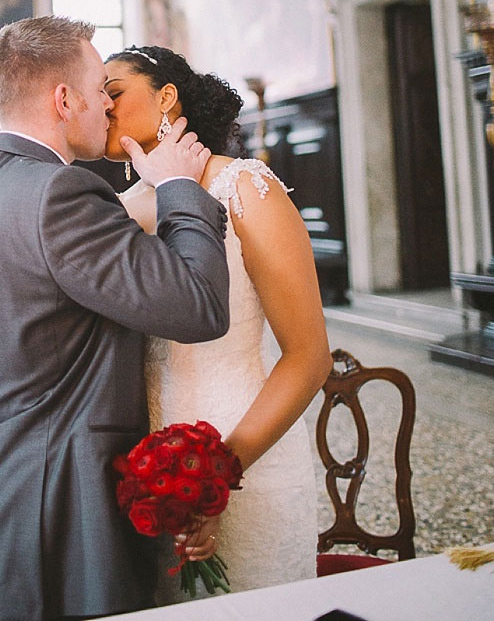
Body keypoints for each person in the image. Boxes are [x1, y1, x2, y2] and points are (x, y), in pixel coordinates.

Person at [0, 16, 231, 621]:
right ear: (64, 100)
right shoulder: (60, 194)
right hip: (59, 539)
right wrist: (175, 186)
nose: (106, 108)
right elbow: (198, 305)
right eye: (100, 91)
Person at [104, 45, 332, 598]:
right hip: (148, 474)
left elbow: (308, 357)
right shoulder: (118, 209)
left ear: (166, 96)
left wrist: (214, 477)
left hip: (248, 450)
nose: (101, 107)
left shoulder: (245, 188)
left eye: (113, 93)